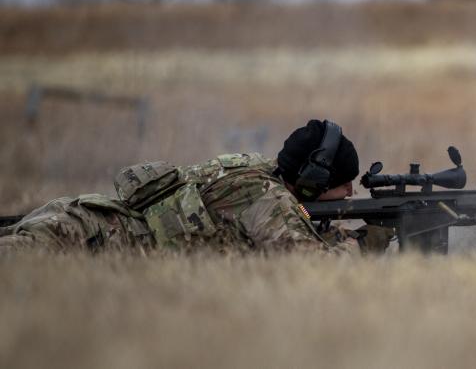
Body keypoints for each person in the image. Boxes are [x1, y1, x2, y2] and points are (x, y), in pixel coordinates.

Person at [0, 119, 389, 255]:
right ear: (312, 181)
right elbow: (310, 269)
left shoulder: (255, 172)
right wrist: (360, 245)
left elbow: (277, 236)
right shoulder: (269, 200)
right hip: (78, 237)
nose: (350, 194)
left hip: (77, 219)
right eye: (343, 184)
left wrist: (339, 234)